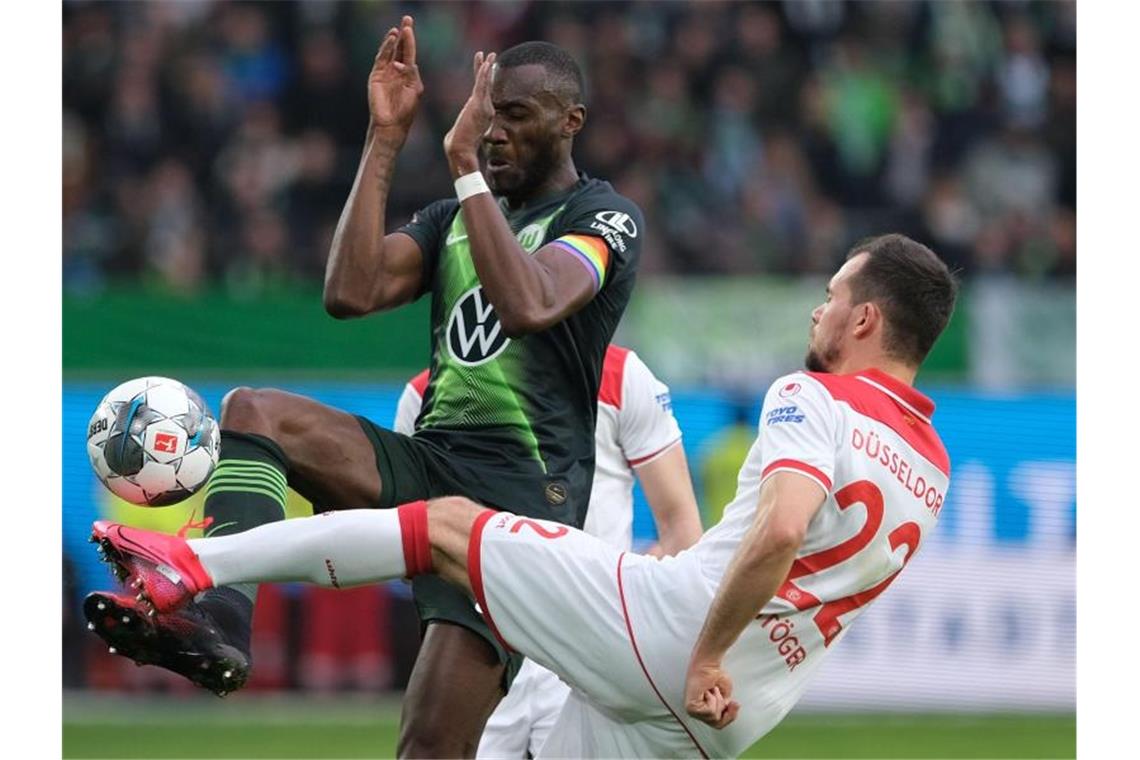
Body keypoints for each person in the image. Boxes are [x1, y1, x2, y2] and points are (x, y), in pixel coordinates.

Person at [88, 234, 957, 757]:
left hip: (670, 634)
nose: (819, 310)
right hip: (737, 712)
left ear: (865, 321)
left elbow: (779, 532)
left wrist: (703, 653)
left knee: (450, 527)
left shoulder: (811, 397)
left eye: (833, 294)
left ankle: (191, 563)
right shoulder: (931, 466)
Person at [84, 16, 644, 756]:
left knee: (428, 748)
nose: (495, 132)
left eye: (515, 116)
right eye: (489, 115)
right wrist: (385, 137)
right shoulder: (454, 220)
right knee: (255, 411)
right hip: (431, 463)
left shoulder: (603, 217)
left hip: (519, 505)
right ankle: (218, 622)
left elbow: (529, 303)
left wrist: (463, 168)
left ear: (570, 122)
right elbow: (350, 291)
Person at [395, 344, 704, 756]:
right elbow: (410, 544)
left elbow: (682, 530)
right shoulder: (425, 393)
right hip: (475, 647)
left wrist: (616, 610)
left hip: (587, 653)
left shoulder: (619, 373)